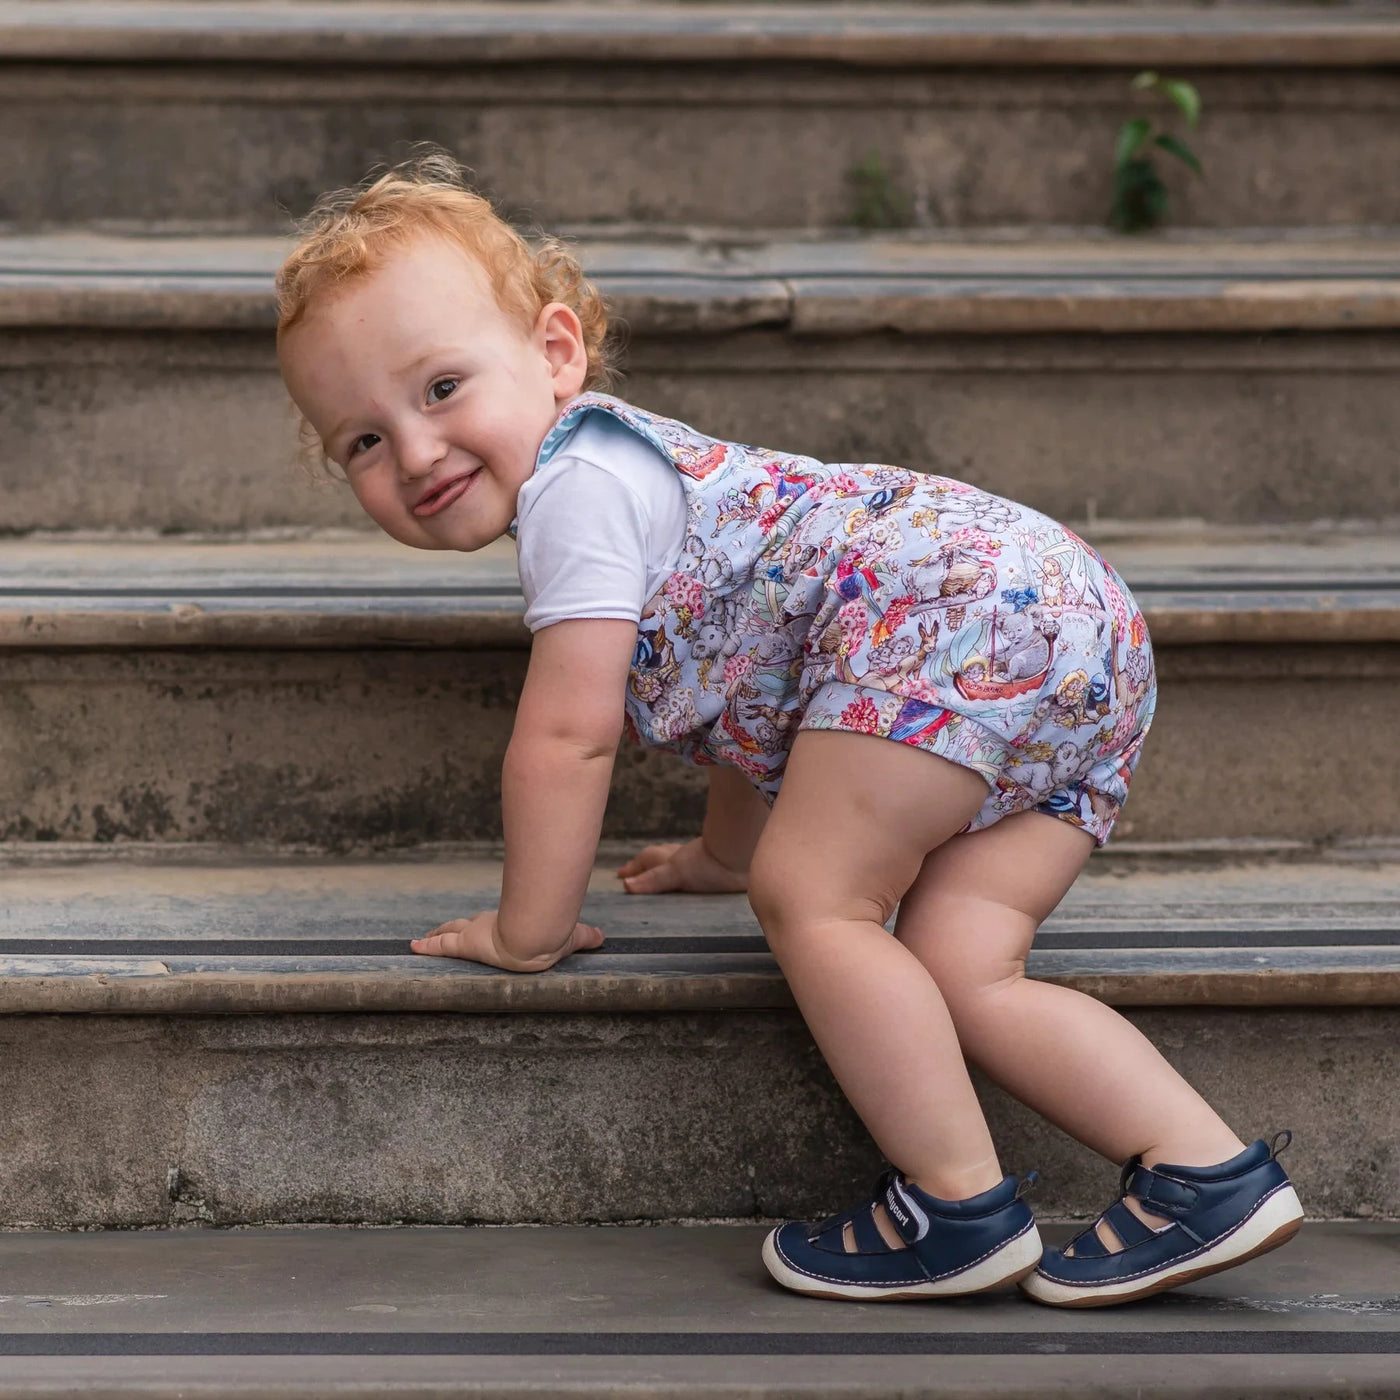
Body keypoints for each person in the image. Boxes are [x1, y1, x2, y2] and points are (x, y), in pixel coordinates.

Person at [274, 152, 1303, 1308]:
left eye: (440, 388)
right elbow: (762, 686)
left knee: (817, 899)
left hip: (948, 616)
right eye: (360, 440)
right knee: (963, 963)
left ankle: (955, 1203)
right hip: (1072, 628)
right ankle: (1201, 1170)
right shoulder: (643, 473)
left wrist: (531, 928)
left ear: (555, 354)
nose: (413, 451)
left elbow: (568, 737)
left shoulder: (575, 492)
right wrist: (726, 850)